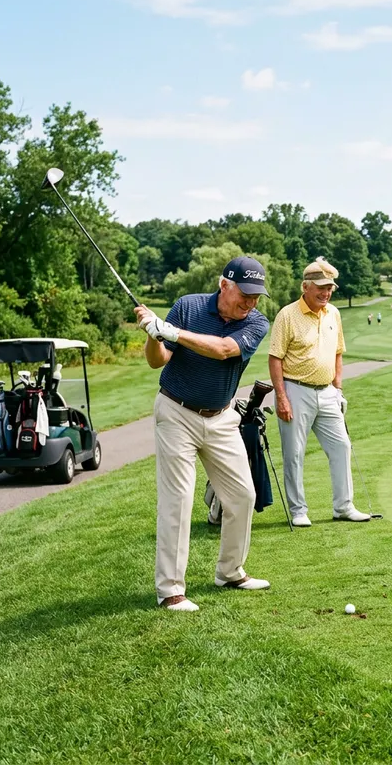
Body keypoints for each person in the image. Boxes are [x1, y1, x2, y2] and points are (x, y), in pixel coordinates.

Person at [134, 256, 272, 612]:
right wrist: (154, 333)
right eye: (245, 294)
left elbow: (225, 351)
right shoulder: (188, 306)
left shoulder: (256, 322)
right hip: (176, 413)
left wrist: (171, 332)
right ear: (224, 284)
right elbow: (157, 359)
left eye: (256, 296)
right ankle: (170, 591)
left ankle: (230, 572)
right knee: (178, 499)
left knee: (242, 495)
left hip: (222, 417)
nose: (251, 303)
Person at [268, 257, 370, 527]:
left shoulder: (333, 313)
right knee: (294, 453)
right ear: (305, 287)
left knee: (341, 446)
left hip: (327, 393)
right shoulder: (287, 315)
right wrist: (281, 397)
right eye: (321, 288)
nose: (326, 293)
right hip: (295, 390)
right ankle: (298, 510)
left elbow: (337, 353)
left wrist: (338, 389)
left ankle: (344, 506)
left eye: (330, 288)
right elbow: (275, 358)